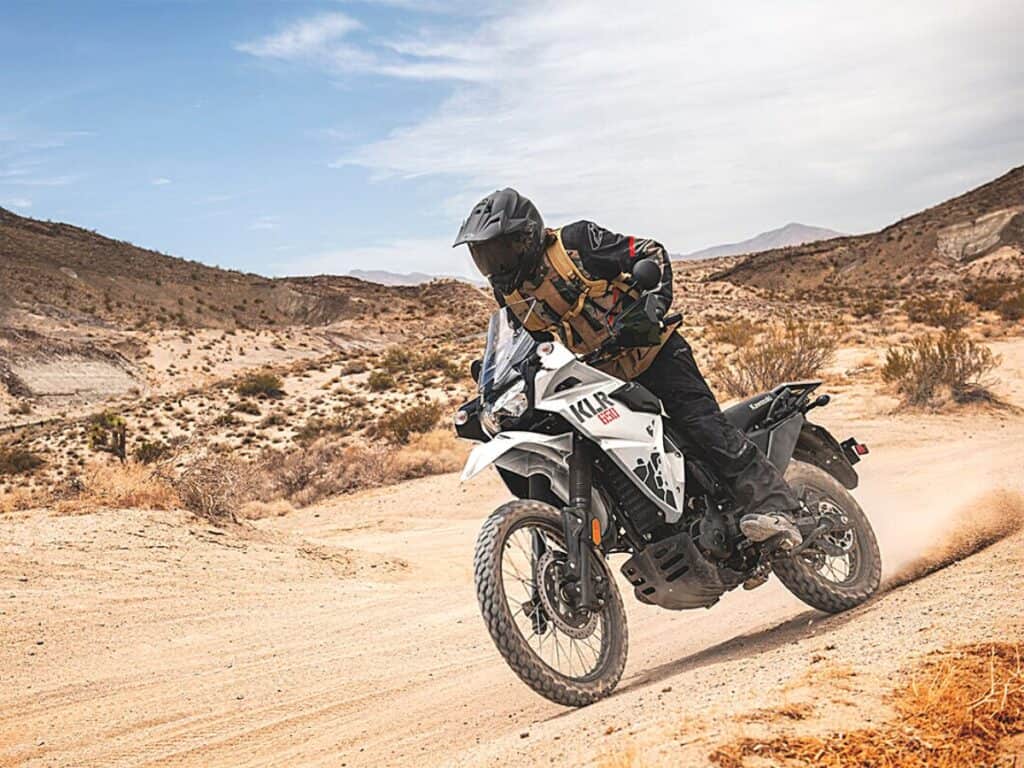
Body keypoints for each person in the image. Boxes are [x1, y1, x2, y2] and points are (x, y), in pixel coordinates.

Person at [453, 187, 802, 550]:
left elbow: (650, 253)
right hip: (601, 373)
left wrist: (651, 307)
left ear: (525, 237)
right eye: (483, 255)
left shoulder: (575, 243)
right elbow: (526, 340)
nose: (493, 263)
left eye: (498, 250)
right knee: (598, 445)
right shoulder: (508, 290)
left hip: (653, 350)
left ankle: (777, 506)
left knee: (701, 423)